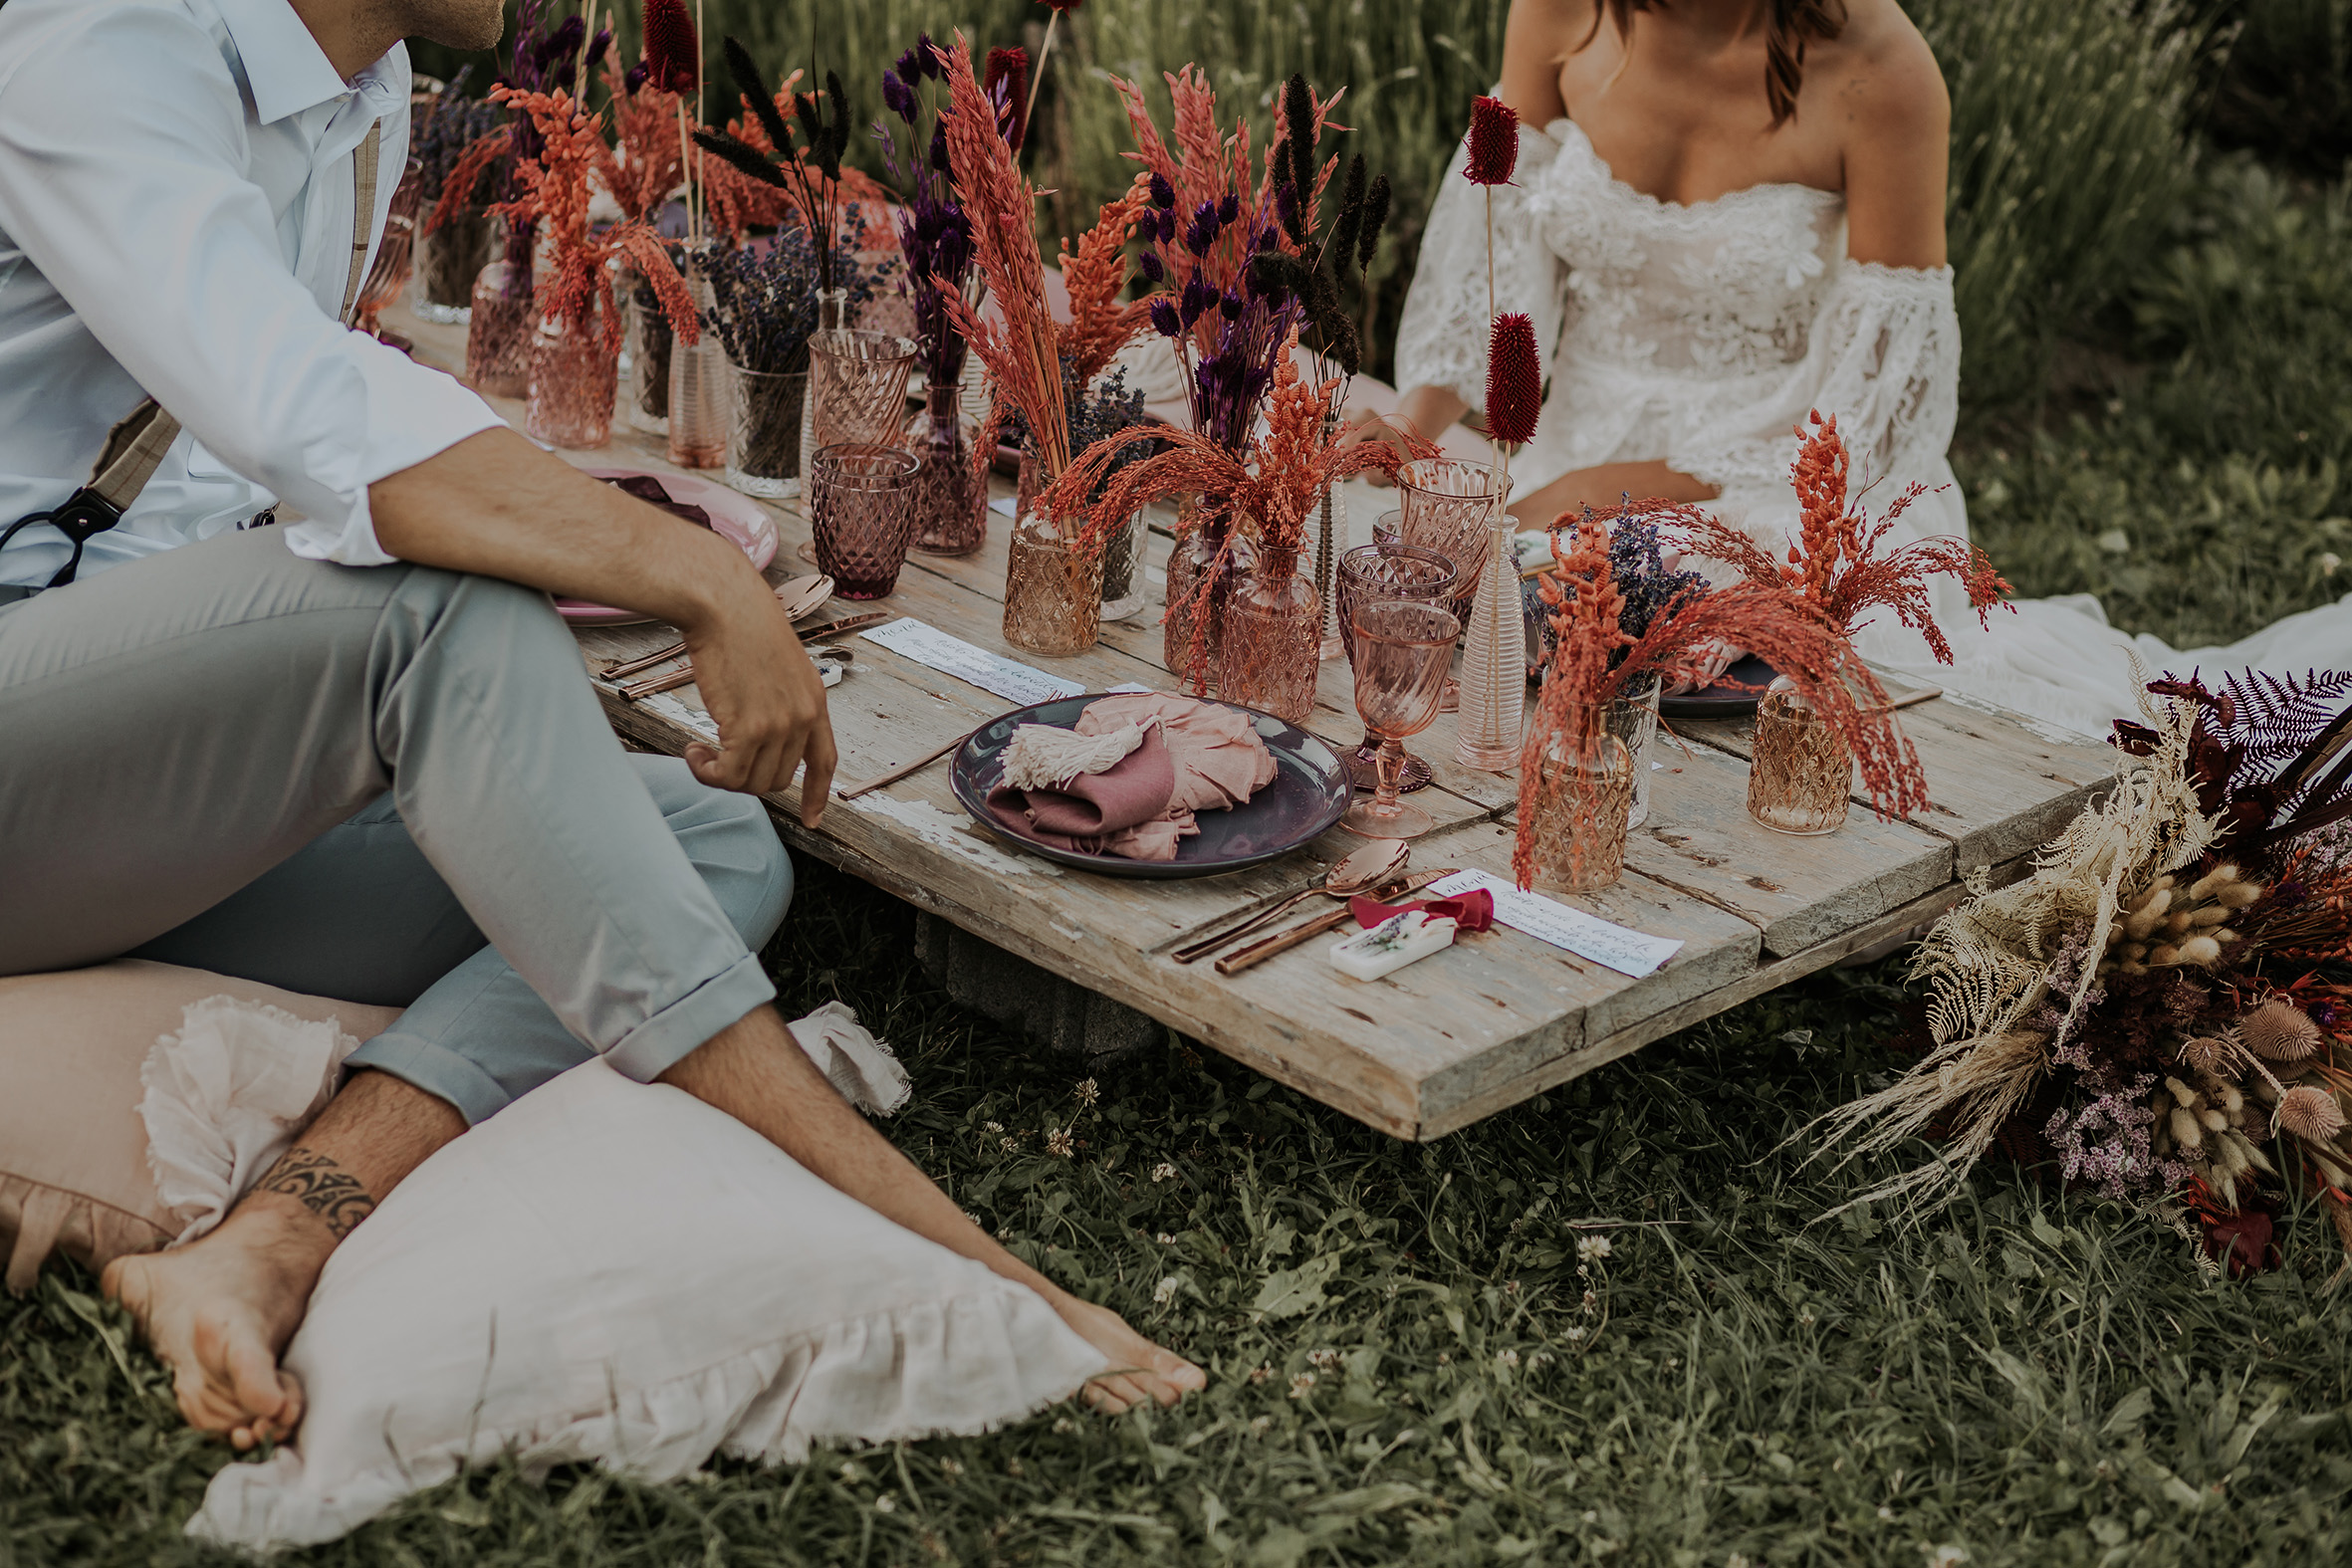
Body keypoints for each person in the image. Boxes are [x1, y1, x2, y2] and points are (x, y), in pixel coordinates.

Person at [0, 0, 1203, 1452]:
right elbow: (306, 412)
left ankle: (268, 1235)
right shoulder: (90, 44)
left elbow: (225, 471)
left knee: (710, 845)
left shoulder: (356, 94)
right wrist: (693, 572)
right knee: (444, 611)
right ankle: (955, 1255)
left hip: (100, 770)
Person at [1372, 0, 2352, 737]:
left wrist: (1628, 493)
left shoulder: (1882, 73)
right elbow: (1498, 258)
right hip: (1567, 460)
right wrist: (1418, 422)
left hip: (1788, 483)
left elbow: (1877, 412)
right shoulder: (1562, 12)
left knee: (1835, 689)